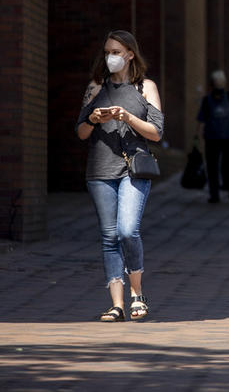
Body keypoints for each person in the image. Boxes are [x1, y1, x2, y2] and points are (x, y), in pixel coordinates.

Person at [76, 30, 164, 322]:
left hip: (132, 169)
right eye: (107, 52)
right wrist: (93, 118)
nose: (110, 57)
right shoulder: (95, 88)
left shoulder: (145, 87)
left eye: (116, 51)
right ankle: (117, 304)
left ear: (130, 54)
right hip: (100, 171)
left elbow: (156, 132)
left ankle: (137, 294)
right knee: (109, 236)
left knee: (128, 230)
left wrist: (127, 117)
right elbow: (81, 132)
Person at [196, 70, 229, 203]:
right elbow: (201, 120)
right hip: (212, 138)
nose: (219, 86)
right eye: (216, 83)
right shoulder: (207, 100)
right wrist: (196, 137)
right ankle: (214, 194)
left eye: (221, 83)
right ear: (212, 84)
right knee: (212, 167)